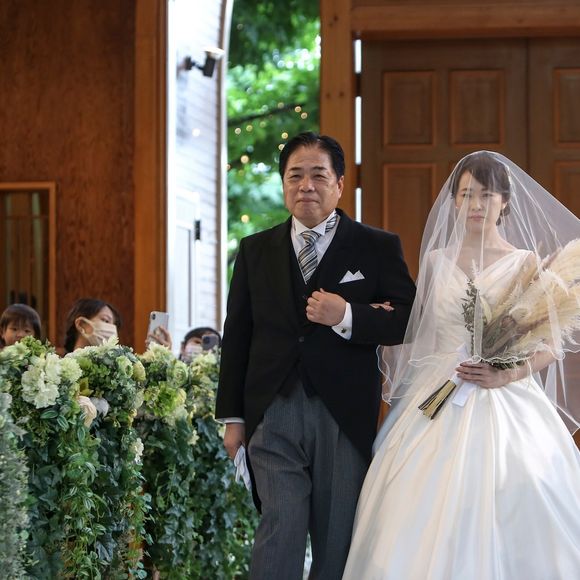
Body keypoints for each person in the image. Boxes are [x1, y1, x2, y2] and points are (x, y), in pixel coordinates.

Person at [343, 151, 580, 579]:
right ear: (453, 200)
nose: (476, 204)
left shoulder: (525, 262)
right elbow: (420, 331)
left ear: (504, 202)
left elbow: (551, 345)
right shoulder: (436, 261)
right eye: (467, 194)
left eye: (486, 195)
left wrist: (506, 373)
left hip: (504, 394)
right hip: (439, 389)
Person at [215, 132, 416, 579]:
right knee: (279, 527)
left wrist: (347, 315)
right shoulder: (254, 250)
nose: (306, 185)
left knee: (336, 537)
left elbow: (407, 319)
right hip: (272, 409)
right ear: (284, 185)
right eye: (295, 176)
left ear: (339, 184)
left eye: (318, 175)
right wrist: (233, 417)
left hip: (344, 412)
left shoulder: (377, 246)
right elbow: (238, 334)